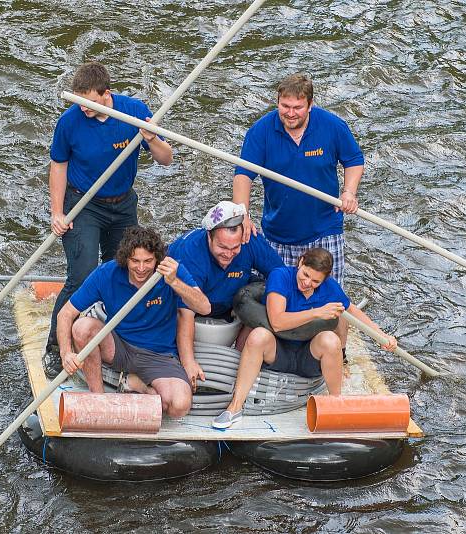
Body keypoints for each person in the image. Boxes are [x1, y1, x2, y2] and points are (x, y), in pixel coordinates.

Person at [45, 61, 174, 373]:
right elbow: (58, 165)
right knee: (82, 272)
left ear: (106, 94)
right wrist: (57, 212)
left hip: (122, 204)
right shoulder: (70, 122)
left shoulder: (132, 110)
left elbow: (167, 159)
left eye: (89, 102)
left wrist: (151, 138)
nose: (83, 109)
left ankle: (118, 335)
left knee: (131, 267)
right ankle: (54, 347)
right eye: (78, 102)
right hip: (83, 204)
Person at [212, 248, 397, 429]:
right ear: (300, 262)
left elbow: (352, 311)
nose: (307, 283)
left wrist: (381, 336)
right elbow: (277, 322)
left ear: (324, 279)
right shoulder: (281, 276)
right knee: (258, 336)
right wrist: (316, 312)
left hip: (307, 356)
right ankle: (235, 407)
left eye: (316, 281)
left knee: (330, 340)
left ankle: (336, 404)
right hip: (278, 351)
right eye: (305, 274)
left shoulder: (329, 287)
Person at [56, 226, 210, 417]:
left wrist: (174, 282)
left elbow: (205, 308)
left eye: (148, 261)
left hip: (159, 354)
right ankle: (99, 400)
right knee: (81, 328)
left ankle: (137, 384)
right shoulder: (107, 273)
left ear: (158, 260)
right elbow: (65, 314)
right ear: (125, 258)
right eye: (135, 261)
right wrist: (65, 353)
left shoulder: (173, 269)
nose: (141, 268)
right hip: (119, 346)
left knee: (179, 406)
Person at [232, 72, 363, 283]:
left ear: (310, 105)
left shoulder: (332, 126)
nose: (290, 113)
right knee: (280, 297)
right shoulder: (260, 131)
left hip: (325, 230)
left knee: (328, 298)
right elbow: (243, 175)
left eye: (297, 108)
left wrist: (349, 191)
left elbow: (354, 160)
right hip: (278, 234)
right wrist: (241, 213)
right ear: (277, 102)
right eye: (285, 106)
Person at [167, 201, 285, 391]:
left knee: (270, 292)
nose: (228, 255)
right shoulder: (190, 252)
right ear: (209, 236)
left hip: (229, 299)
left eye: (235, 248)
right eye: (222, 247)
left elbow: (280, 275)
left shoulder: (249, 239)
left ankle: (240, 356)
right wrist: (188, 362)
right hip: (186, 305)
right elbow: (185, 314)